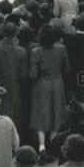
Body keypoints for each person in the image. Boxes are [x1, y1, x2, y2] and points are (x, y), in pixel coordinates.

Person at [29, 25, 71, 160]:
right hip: (58, 83)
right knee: (56, 114)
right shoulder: (62, 49)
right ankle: (53, 145)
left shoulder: (36, 52)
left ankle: (42, 147)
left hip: (42, 85)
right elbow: (67, 69)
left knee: (41, 115)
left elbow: (33, 75)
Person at [0, 22, 29, 138]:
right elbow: (24, 75)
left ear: (2, 33)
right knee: (13, 126)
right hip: (15, 92)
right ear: (15, 34)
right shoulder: (21, 51)